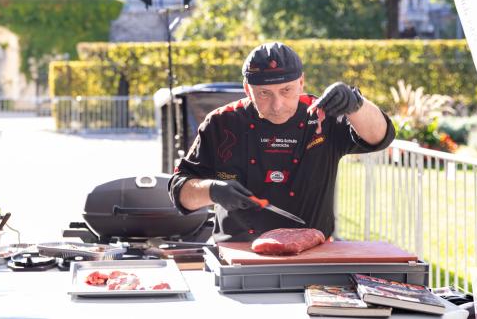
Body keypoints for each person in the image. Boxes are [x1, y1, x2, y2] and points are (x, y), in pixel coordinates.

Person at [168, 42, 395, 242]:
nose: (277, 105)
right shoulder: (221, 122)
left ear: (301, 83)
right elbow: (179, 192)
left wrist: (356, 104)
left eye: (286, 90)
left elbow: (379, 138)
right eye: (264, 93)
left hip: (312, 251)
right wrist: (212, 190)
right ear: (247, 89)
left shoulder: (323, 117)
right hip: (237, 252)